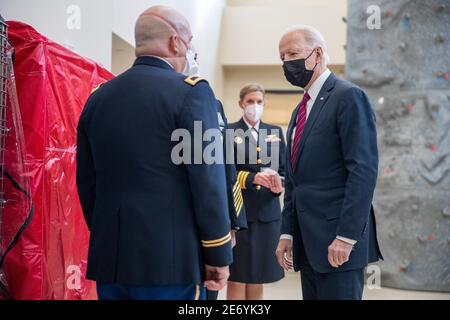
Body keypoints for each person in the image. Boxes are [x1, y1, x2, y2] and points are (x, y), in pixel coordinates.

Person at [76, 5, 232, 300]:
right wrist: (217, 250)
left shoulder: (98, 99)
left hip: (112, 261)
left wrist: (108, 235)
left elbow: (87, 183)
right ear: (176, 42)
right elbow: (208, 181)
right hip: (171, 263)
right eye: (189, 43)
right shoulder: (192, 93)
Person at [275, 25, 383, 300]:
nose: (287, 62)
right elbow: (295, 180)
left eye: (293, 53)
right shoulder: (300, 109)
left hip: (338, 244)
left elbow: (363, 171)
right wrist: (287, 232)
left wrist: (347, 237)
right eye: (282, 56)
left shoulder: (348, 97)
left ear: (318, 53)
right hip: (307, 243)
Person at [227, 83, 285, 300]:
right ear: (241, 103)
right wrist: (251, 178)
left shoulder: (275, 132)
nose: (255, 106)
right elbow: (226, 171)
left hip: (267, 213)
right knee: (237, 275)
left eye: (259, 101)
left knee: (258, 274)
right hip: (240, 214)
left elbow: (285, 170)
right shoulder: (229, 132)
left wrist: (279, 183)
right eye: (250, 101)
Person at [206, 100, 248, 301]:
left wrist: (235, 221)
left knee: (211, 286)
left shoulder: (214, 104)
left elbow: (228, 169)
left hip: (214, 215)